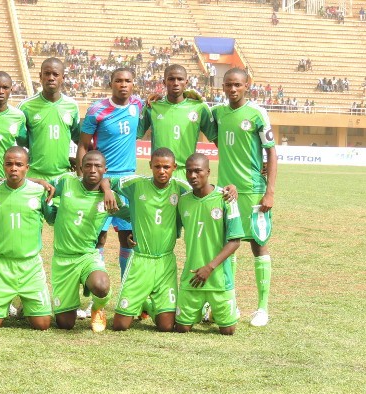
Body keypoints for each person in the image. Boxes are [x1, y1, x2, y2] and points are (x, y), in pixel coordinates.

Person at [211, 68, 277, 327]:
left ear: (247, 85)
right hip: (226, 191)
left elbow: (272, 152)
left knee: (258, 244)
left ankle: (262, 308)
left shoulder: (257, 113)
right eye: (228, 85)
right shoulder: (218, 112)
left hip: (252, 190)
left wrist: (269, 191)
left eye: (237, 84)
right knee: (229, 245)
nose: (232, 89)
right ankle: (232, 303)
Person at [105, 148, 190, 332]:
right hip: (140, 260)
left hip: (165, 262)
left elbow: (204, 192)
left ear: (174, 167)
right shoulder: (136, 184)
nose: (162, 171)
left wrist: (229, 190)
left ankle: (149, 305)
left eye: (166, 167)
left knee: (166, 326)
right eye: (157, 166)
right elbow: (106, 180)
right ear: (150, 166)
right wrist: (108, 191)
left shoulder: (181, 188)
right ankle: (141, 300)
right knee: (120, 326)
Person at [76, 67, 143, 286]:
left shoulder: (137, 105)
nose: (123, 85)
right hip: (100, 181)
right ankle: (95, 296)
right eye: (118, 81)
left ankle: (127, 291)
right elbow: (83, 146)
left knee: (128, 239)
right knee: (98, 239)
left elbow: (155, 101)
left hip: (127, 183)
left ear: (133, 84)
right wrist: (82, 179)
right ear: (110, 83)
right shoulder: (97, 110)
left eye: (128, 81)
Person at [49, 151, 129, 332]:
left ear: (105, 170)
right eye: (88, 165)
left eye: (98, 166)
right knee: (65, 324)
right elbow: (46, 187)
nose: (93, 170)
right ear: (81, 168)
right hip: (63, 260)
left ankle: (97, 307)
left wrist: (135, 234)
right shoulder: (67, 182)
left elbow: (132, 217)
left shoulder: (109, 199)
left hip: (87, 256)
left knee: (101, 286)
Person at [0, 146, 55, 330]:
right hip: (3, 265)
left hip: (31, 265)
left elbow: (53, 219)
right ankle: (5, 302)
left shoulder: (39, 191)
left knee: (43, 325)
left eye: (19, 164)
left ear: (27, 167)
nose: (14, 168)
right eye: (9, 164)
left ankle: (26, 305)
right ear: (3, 166)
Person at [175, 153, 244, 335]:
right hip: (192, 276)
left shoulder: (226, 198)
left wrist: (210, 267)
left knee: (228, 330)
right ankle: (199, 309)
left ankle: (213, 310)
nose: (193, 176)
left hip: (218, 277)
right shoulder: (183, 201)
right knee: (182, 328)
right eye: (189, 171)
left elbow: (235, 241)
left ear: (208, 171)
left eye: (198, 171)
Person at [138, 64, 217, 181]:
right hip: (161, 173)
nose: (175, 83)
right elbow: (133, 136)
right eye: (171, 79)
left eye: (180, 79)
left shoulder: (199, 107)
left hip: (188, 173)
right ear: (164, 82)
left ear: (186, 82)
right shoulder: (152, 106)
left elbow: (218, 140)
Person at [17, 58, 80, 181]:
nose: (51, 78)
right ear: (40, 77)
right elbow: (21, 141)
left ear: (63, 77)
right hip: (34, 175)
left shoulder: (72, 106)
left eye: (56, 74)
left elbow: (78, 139)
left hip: (63, 175)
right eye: (47, 74)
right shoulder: (25, 106)